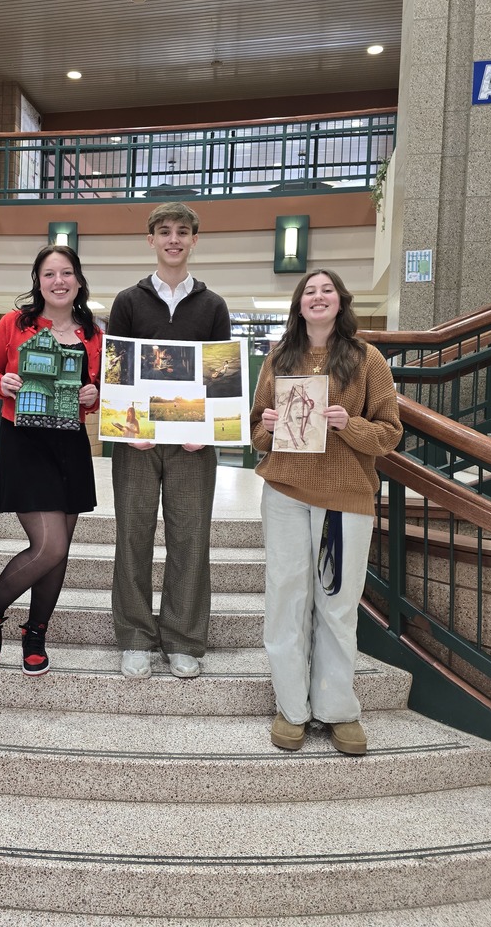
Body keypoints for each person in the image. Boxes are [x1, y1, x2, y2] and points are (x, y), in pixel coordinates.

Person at [249, 268, 402, 755]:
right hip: (286, 491)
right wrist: (269, 425)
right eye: (309, 291)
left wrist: (349, 424)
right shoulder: (279, 358)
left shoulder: (366, 359)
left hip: (345, 499)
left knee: (336, 605)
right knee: (286, 599)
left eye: (327, 290)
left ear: (341, 302)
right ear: (298, 304)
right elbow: (254, 432)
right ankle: (291, 706)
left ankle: (337, 708)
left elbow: (390, 432)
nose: (317, 297)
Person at [0, 244, 101, 676]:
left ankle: (35, 632)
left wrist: (94, 396)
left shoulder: (92, 333)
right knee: (50, 544)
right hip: (25, 441)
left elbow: (99, 388)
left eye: (66, 273)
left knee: (61, 551)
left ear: (78, 280)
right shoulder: (14, 324)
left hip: (70, 444)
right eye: (49, 274)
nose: (58, 281)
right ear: (37, 282)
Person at [108, 202, 231, 679]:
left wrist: (207, 431)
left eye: (182, 232)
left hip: (193, 445)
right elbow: (117, 370)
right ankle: (136, 636)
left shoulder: (213, 305)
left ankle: (183, 639)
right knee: (133, 536)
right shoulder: (128, 301)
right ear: (151, 240)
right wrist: (126, 428)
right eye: (164, 232)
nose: (173, 239)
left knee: (190, 538)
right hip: (136, 441)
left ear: (194, 240)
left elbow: (221, 376)